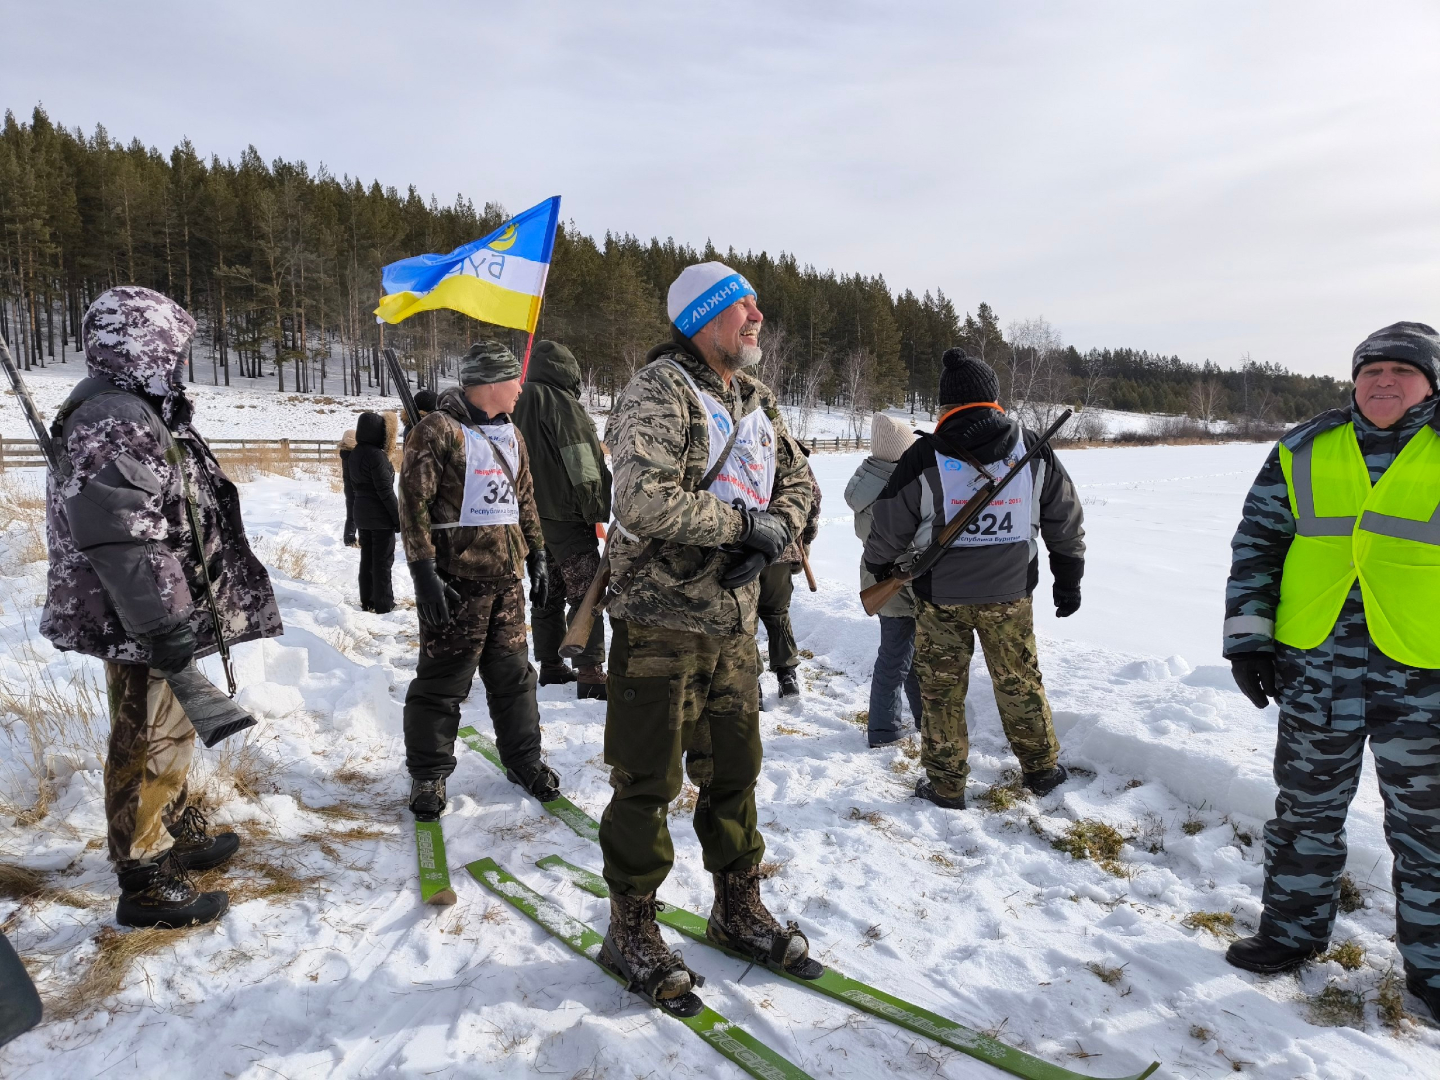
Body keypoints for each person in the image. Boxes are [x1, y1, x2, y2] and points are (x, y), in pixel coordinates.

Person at [598, 261, 819, 1013]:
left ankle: (736, 907)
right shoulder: (659, 392)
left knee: (734, 772)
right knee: (648, 781)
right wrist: (742, 528)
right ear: (703, 317)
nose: (757, 316)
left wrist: (778, 528)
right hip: (660, 622)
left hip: (732, 626)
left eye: (757, 305)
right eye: (741, 306)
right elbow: (642, 499)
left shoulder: (755, 397)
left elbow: (801, 483)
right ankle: (630, 924)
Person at [41, 286, 282, 927]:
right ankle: (143, 879)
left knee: (166, 727)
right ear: (141, 347)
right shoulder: (115, 417)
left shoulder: (138, 409)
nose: (179, 360)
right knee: (146, 735)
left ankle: (171, 830)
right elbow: (125, 536)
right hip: (141, 613)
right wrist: (166, 623)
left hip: (155, 607)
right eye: (169, 349)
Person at [1222, 321, 1440, 1020]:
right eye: (1370, 371)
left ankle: (1434, 970)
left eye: (1402, 372)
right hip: (1316, 664)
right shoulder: (1305, 446)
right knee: (1305, 811)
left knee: (1429, 828)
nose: (1383, 382)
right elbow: (1258, 545)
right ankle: (1290, 935)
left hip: (1425, 673)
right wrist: (1249, 640)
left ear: (1430, 383)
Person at [864, 348, 1084, 809]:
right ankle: (1042, 770)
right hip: (1011, 594)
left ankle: (946, 786)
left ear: (946, 405)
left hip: (941, 597)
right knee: (1019, 681)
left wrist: (882, 567)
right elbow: (1064, 520)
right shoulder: (1033, 449)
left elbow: (888, 528)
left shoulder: (923, 455)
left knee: (942, 691)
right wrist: (1069, 577)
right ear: (993, 400)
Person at [398, 339, 559, 819]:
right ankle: (428, 775)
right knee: (444, 682)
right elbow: (413, 505)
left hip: (506, 582)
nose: (520, 389)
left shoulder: (513, 433)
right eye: (514, 380)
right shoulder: (437, 430)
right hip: (455, 581)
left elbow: (524, 499)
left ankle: (524, 760)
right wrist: (423, 572)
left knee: (514, 677)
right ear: (488, 383)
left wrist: (539, 556)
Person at [511, 339, 613, 699]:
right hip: (566, 515)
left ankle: (551, 666)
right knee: (586, 590)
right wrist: (594, 507)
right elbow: (581, 459)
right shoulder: (561, 403)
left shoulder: (514, 398)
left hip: (526, 514)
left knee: (546, 590)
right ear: (567, 369)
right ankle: (589, 672)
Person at [845, 412, 924, 746]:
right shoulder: (895, 487)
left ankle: (922, 719)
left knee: (908, 657)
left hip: (882, 578)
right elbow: (902, 539)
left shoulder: (868, 482)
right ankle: (882, 730)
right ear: (899, 452)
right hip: (896, 582)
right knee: (895, 659)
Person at [756, 448, 821, 702]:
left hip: (740, 547)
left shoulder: (733, 436)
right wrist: (804, 540)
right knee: (776, 612)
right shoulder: (789, 451)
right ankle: (787, 675)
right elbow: (812, 499)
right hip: (781, 547)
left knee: (744, 619)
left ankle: (752, 680)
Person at [349, 410, 401, 613]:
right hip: (379, 516)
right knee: (383, 561)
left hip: (361, 512)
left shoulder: (355, 452)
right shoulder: (377, 456)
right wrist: (397, 518)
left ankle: (367, 599)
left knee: (367, 558)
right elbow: (385, 491)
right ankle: (384, 603)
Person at [338, 428, 357, 547]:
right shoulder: (354, 455)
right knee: (356, 513)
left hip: (348, 487)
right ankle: (350, 538)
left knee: (351, 513)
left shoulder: (344, 453)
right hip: (355, 486)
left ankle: (349, 536)